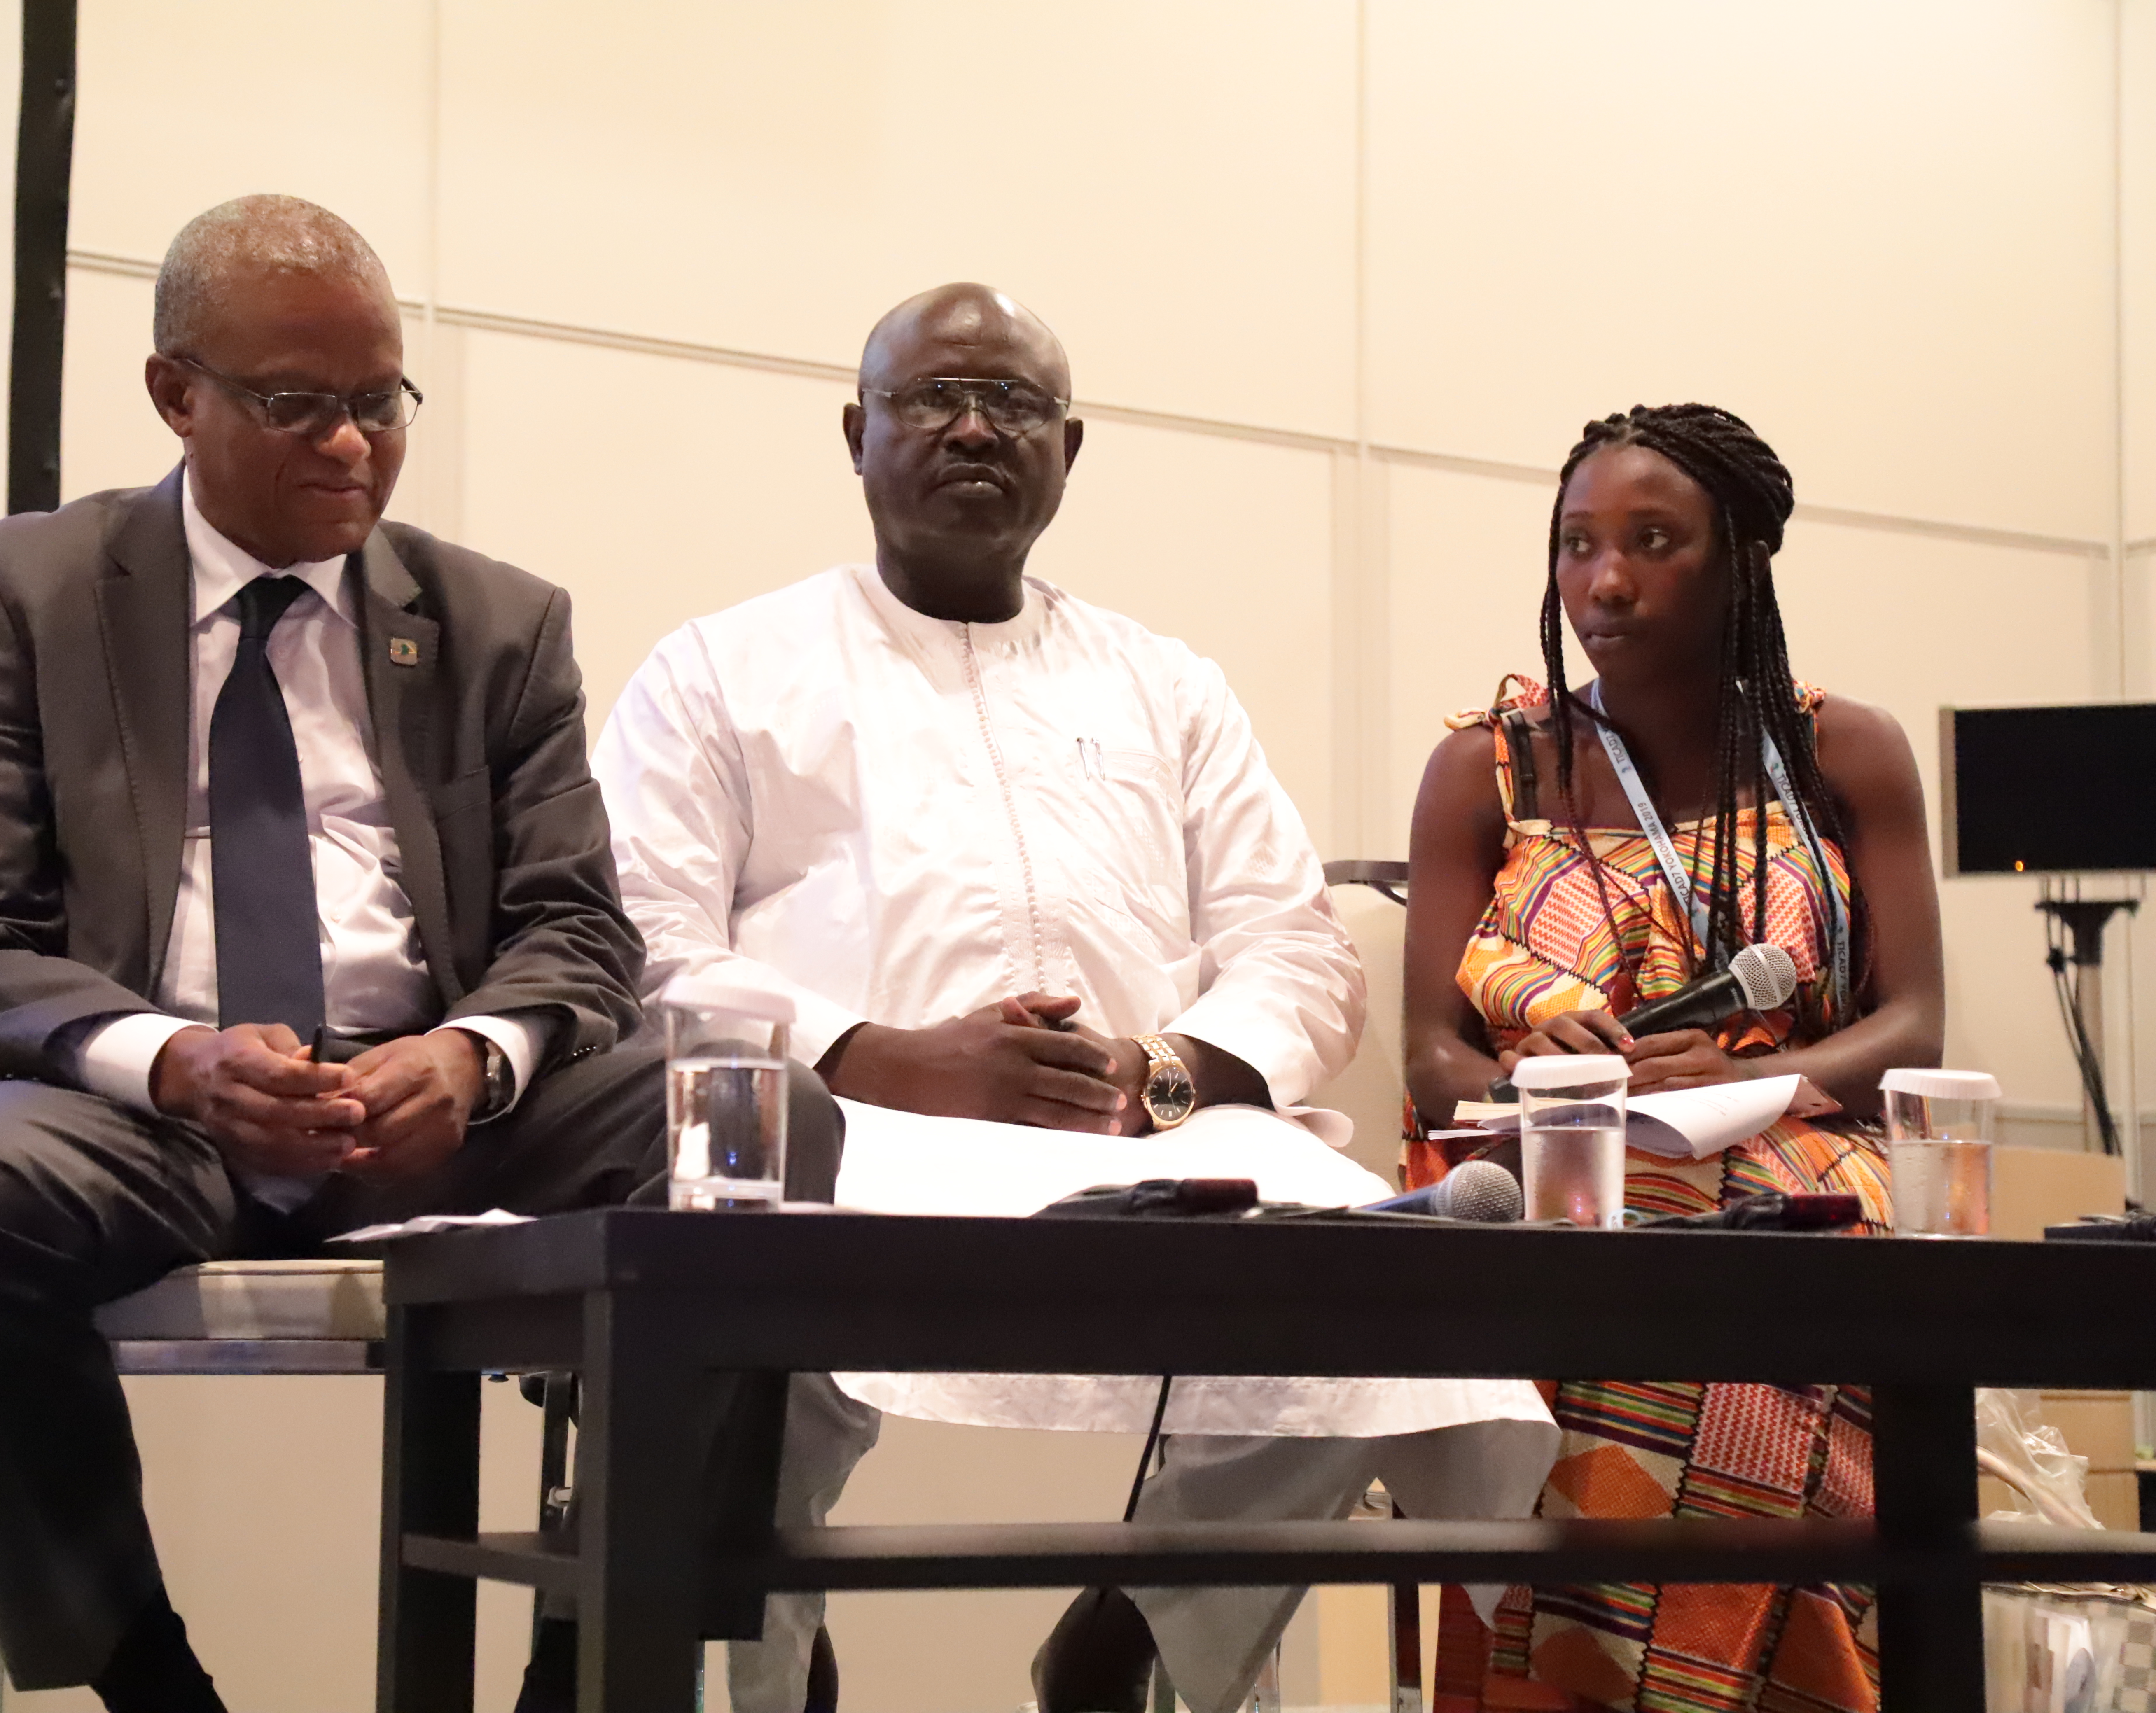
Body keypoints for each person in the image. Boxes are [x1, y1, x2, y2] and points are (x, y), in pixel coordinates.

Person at [0, 194, 836, 1713]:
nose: (353, 446)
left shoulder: (498, 623)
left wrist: (477, 1055)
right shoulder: (27, 591)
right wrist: (176, 1060)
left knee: (758, 1132)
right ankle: (145, 1676)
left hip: (434, 1114)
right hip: (151, 1115)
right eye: (301, 406)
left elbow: (579, 930)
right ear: (177, 394)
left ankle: (598, 1660)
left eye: (380, 404)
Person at [594, 282, 1559, 1713]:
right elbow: (641, 939)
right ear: (855, 434)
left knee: (1392, 1294)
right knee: (743, 1308)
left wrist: (1161, 1071)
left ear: (1072, 448)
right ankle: (761, 1680)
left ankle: (1145, 1633)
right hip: (853, 1137)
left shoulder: (1164, 684)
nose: (975, 428)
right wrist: (879, 1056)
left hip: (1148, 1141)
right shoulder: (722, 670)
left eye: (1017, 406)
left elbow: (1295, 946)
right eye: (931, 399)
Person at [1400, 404, 1944, 1709]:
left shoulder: (1840, 750)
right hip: (1553, 1157)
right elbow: (1431, 1054)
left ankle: (1765, 1674)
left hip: (1795, 1146)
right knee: (1595, 1235)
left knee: (1777, 1241)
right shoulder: (1488, 770)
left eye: (1654, 541)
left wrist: (1771, 1081)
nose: (1606, 577)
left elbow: (1916, 1024)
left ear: (1742, 559)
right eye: (1578, 543)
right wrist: (1540, 1080)